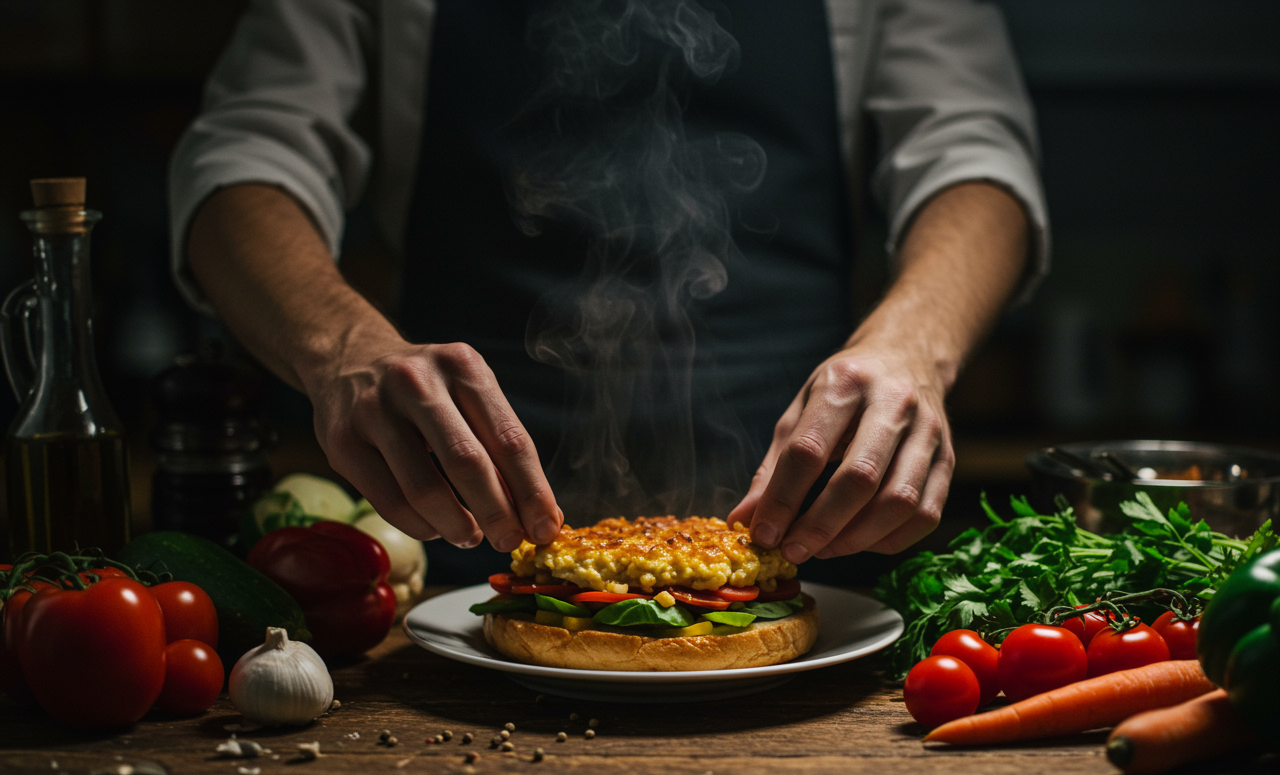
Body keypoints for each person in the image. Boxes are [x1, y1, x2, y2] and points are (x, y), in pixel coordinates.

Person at [169, 0, 1048, 583]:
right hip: (458, 534)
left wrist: (911, 350)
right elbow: (247, 150)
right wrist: (340, 349)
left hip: (822, 532)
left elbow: (975, 153)